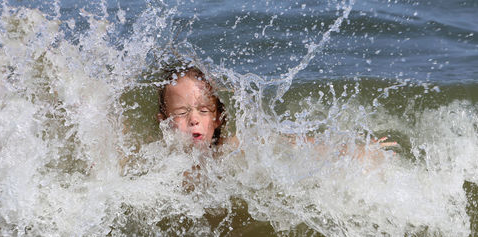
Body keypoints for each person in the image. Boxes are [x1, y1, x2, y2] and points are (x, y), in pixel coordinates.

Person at [156, 65, 397, 156]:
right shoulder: (157, 158)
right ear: (163, 120)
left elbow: (291, 144)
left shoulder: (229, 149)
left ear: (218, 118)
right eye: (181, 113)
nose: (194, 120)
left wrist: (352, 149)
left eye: (204, 111)